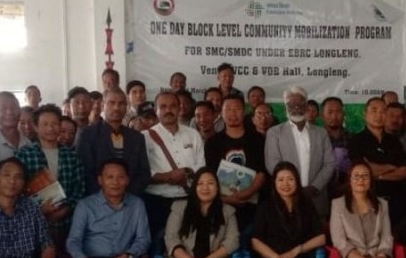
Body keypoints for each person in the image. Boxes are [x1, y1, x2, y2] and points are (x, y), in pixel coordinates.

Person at [67, 159, 159, 258]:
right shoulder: (85, 205)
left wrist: (128, 256)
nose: (115, 182)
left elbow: (143, 239)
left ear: (127, 180)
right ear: (100, 180)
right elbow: (73, 240)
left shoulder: (137, 204)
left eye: (120, 177)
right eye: (109, 177)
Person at [163, 168, 238, 258]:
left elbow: (232, 241)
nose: (205, 187)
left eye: (210, 183)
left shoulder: (228, 211)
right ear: (194, 187)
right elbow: (171, 238)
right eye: (200, 183)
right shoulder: (179, 207)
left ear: (217, 187)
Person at [329, 162, 397, 258]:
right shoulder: (338, 205)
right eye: (357, 176)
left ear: (371, 181)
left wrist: (380, 257)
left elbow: (386, 236)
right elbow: (339, 241)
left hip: (378, 256)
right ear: (349, 180)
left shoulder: (382, 204)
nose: (361, 180)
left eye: (365, 176)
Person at [16, 104, 85, 248]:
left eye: (54, 124)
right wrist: (39, 210)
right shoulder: (24, 154)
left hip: (67, 223)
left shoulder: (72, 156)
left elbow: (80, 189)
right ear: (35, 127)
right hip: (33, 224)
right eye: (45, 124)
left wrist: (64, 211)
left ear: (60, 126)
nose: (50, 128)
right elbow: (17, 190)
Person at [143, 92, 205, 248]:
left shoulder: (193, 135)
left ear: (179, 109)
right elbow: (141, 172)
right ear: (155, 110)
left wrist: (186, 172)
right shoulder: (144, 137)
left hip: (188, 200)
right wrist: (167, 177)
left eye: (172, 106)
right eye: (163, 106)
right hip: (158, 203)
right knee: (158, 246)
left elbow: (201, 166)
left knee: (190, 245)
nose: (168, 110)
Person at [265, 86, 335, 220]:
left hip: (316, 198)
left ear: (307, 105)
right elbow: (272, 163)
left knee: (317, 238)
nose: (296, 107)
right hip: (285, 198)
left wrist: (314, 187)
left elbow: (329, 163)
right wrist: (292, 188)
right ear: (285, 107)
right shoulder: (275, 133)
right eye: (291, 104)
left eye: (300, 103)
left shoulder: (321, 133)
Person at [204, 95, 265, 235]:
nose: (233, 113)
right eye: (228, 109)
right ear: (221, 114)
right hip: (221, 205)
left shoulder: (257, 139)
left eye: (237, 109)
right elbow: (210, 175)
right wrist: (226, 199)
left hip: (252, 205)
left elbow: (262, 172)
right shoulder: (212, 142)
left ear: (244, 112)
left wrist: (246, 193)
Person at [348, 98, 406, 231]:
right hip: (368, 201)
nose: (378, 115)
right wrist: (391, 166)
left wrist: (378, 175)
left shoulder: (394, 141)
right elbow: (363, 171)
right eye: (374, 111)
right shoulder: (356, 140)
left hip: (396, 202)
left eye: (383, 111)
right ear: (365, 114)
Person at [252, 161, 326, 258]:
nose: (285, 184)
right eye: (280, 180)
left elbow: (321, 238)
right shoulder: (265, 206)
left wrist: (297, 250)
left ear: (297, 181)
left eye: (290, 179)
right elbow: (256, 242)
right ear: (274, 183)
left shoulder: (306, 204)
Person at [75, 88, 150, 196]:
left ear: (127, 107)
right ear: (102, 106)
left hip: (130, 200)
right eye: (112, 103)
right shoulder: (87, 135)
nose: (116, 108)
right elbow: (84, 173)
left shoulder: (137, 138)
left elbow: (144, 174)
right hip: (97, 201)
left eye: (121, 104)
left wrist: (125, 196)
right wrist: (107, 198)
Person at [322, 97, 352, 198]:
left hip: (347, 190)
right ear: (322, 115)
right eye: (330, 112)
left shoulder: (353, 138)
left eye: (338, 112)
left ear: (344, 115)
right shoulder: (315, 138)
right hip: (320, 191)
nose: (334, 116)